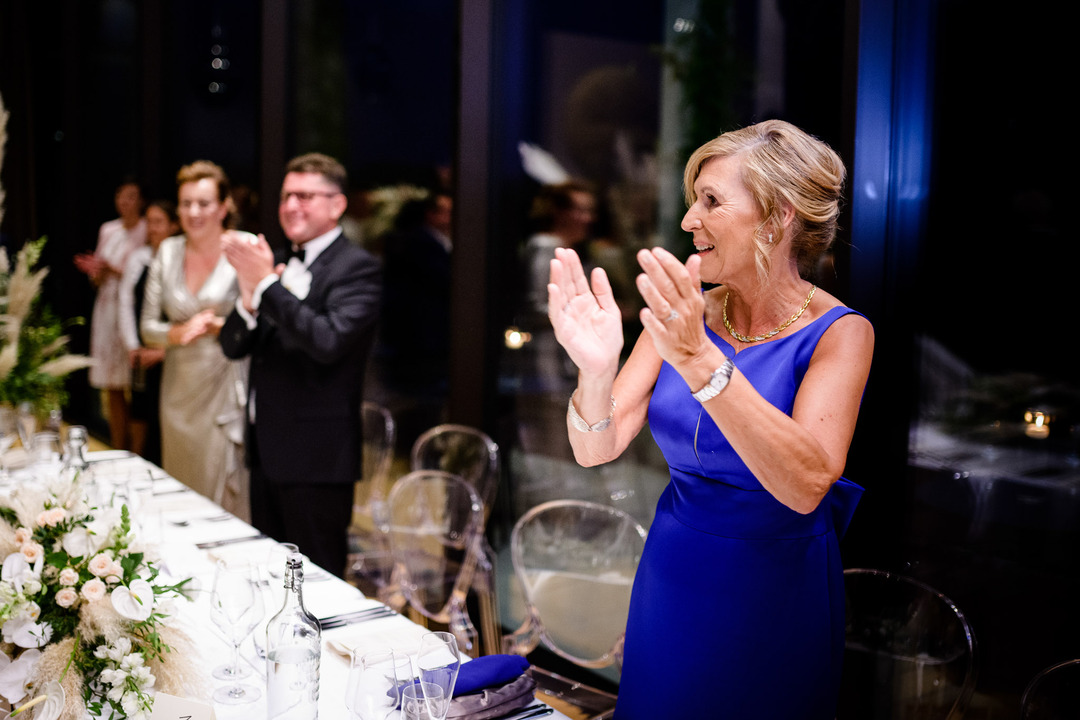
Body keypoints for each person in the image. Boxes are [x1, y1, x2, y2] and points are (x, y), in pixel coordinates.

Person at [547, 119, 874, 719]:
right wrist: (595, 371)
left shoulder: (841, 334)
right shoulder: (687, 312)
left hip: (777, 585)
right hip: (673, 570)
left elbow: (806, 487)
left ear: (777, 218)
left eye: (711, 201)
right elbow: (596, 447)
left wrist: (701, 362)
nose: (688, 220)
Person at [219, 152, 381, 578]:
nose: (291, 205)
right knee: (270, 576)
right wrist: (250, 299)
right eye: (287, 195)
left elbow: (327, 342)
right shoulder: (275, 258)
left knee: (318, 581)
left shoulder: (358, 268)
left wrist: (268, 285)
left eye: (305, 196)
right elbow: (233, 345)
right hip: (265, 449)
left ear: (337, 205)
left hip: (317, 457)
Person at [140, 161, 252, 520]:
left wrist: (223, 325)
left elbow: (261, 320)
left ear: (224, 207)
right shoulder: (168, 251)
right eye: (186, 203)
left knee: (222, 493)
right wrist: (177, 333)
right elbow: (147, 327)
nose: (193, 212)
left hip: (224, 384)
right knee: (180, 488)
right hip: (177, 390)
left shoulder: (243, 248)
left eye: (203, 203)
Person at [74, 179, 147, 450]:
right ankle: (117, 445)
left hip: (131, 308)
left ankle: (136, 450)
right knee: (111, 384)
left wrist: (113, 268)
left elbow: (139, 273)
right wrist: (96, 271)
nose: (124, 202)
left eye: (131, 196)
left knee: (134, 385)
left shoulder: (145, 228)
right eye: (120, 195)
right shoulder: (108, 229)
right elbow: (98, 276)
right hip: (106, 306)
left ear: (140, 200)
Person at [118, 199, 179, 465]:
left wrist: (164, 351)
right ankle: (137, 463)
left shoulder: (179, 260)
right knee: (140, 411)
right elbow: (125, 302)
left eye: (158, 222)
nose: (152, 229)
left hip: (174, 351)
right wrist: (133, 345)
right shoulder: (139, 258)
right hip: (144, 348)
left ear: (173, 226)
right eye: (149, 222)